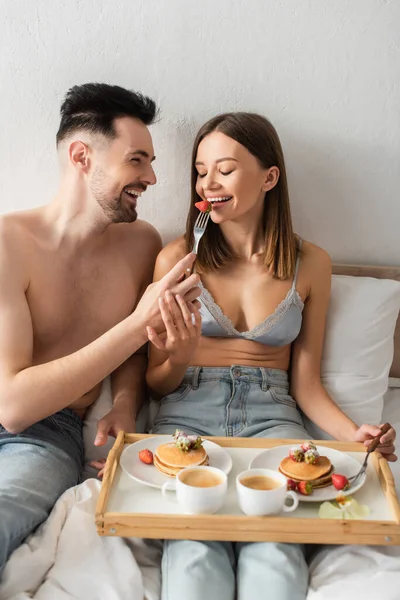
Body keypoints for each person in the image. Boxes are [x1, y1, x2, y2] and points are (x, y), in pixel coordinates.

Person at [145, 112, 397, 600]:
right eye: (200, 170)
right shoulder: (174, 258)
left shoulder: (312, 264)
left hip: (273, 416)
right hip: (186, 416)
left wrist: (354, 434)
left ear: (269, 177)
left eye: (225, 168)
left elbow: (306, 383)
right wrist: (177, 356)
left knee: (275, 548)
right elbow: (157, 383)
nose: (208, 182)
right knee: (194, 551)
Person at [0, 82, 200, 577]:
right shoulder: (9, 243)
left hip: (47, 435)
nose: (152, 177)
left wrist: (127, 402)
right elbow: (13, 404)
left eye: (151, 162)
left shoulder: (142, 244)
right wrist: (138, 324)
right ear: (81, 156)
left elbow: (135, 351)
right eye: (137, 160)